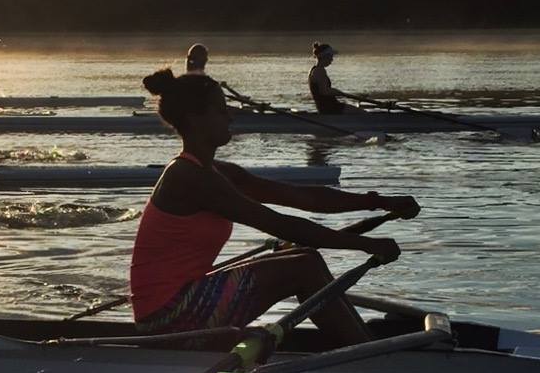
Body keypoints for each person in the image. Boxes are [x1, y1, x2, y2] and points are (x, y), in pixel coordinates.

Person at [131, 67, 417, 347]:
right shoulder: (189, 177)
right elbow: (281, 224)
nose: (231, 116)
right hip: (165, 319)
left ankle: (363, 346)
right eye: (221, 110)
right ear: (195, 119)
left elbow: (303, 197)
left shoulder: (219, 172)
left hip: (185, 299)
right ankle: (368, 359)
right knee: (303, 265)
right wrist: (366, 244)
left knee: (303, 256)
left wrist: (378, 202)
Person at [308, 42, 346, 115]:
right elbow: (324, 91)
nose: (332, 59)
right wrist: (339, 93)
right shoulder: (319, 71)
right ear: (325, 56)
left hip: (327, 106)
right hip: (330, 108)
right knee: (362, 113)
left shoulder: (314, 69)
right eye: (331, 57)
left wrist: (339, 93)